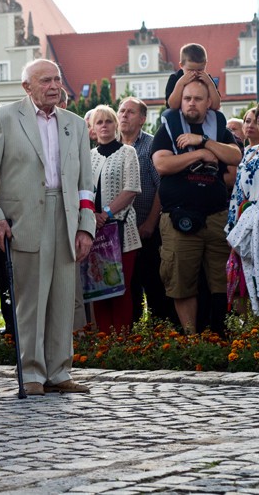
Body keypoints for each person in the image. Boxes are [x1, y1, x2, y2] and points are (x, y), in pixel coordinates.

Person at [0, 59, 95, 396]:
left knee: (63, 298)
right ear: (27, 86)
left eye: (57, 79)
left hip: (67, 217)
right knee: (30, 301)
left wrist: (86, 227)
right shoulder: (4, 118)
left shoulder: (75, 124)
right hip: (24, 219)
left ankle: (60, 371)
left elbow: (86, 183)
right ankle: (31, 372)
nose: (54, 86)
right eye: (45, 80)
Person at [151, 79, 241, 335]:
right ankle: (193, 342)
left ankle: (224, 336)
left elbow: (235, 156)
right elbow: (162, 165)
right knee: (181, 282)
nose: (192, 103)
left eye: (198, 98)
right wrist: (200, 155)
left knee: (223, 281)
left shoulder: (218, 128)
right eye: (188, 98)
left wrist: (202, 141)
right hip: (179, 216)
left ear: (208, 103)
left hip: (216, 216)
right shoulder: (168, 129)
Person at [117, 97, 177, 324]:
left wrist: (151, 223)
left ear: (142, 119)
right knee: (127, 287)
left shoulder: (152, 146)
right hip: (118, 232)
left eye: (130, 112)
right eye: (121, 111)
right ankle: (129, 334)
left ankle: (160, 332)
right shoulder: (111, 145)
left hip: (145, 229)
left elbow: (162, 187)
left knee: (153, 285)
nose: (124, 115)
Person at [88, 105, 141, 332]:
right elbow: (83, 190)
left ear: (115, 125)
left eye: (108, 121)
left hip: (121, 231)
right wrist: (92, 216)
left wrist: (105, 214)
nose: (104, 126)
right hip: (94, 233)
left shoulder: (128, 152)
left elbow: (131, 189)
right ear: (92, 129)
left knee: (120, 289)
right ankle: (103, 341)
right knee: (98, 289)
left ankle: (121, 342)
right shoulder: (89, 156)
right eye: (99, 123)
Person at [224, 107, 259, 312]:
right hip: (242, 221)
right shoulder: (243, 154)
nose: (250, 125)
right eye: (246, 120)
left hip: (256, 218)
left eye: (255, 121)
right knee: (242, 277)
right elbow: (237, 193)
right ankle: (248, 331)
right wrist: (232, 225)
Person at [165, 43, 221, 111]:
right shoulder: (175, 78)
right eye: (190, 70)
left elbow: (216, 106)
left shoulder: (207, 79)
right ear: (181, 65)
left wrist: (210, 84)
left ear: (205, 64)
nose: (195, 73)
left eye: (200, 70)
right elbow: (172, 106)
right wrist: (180, 84)